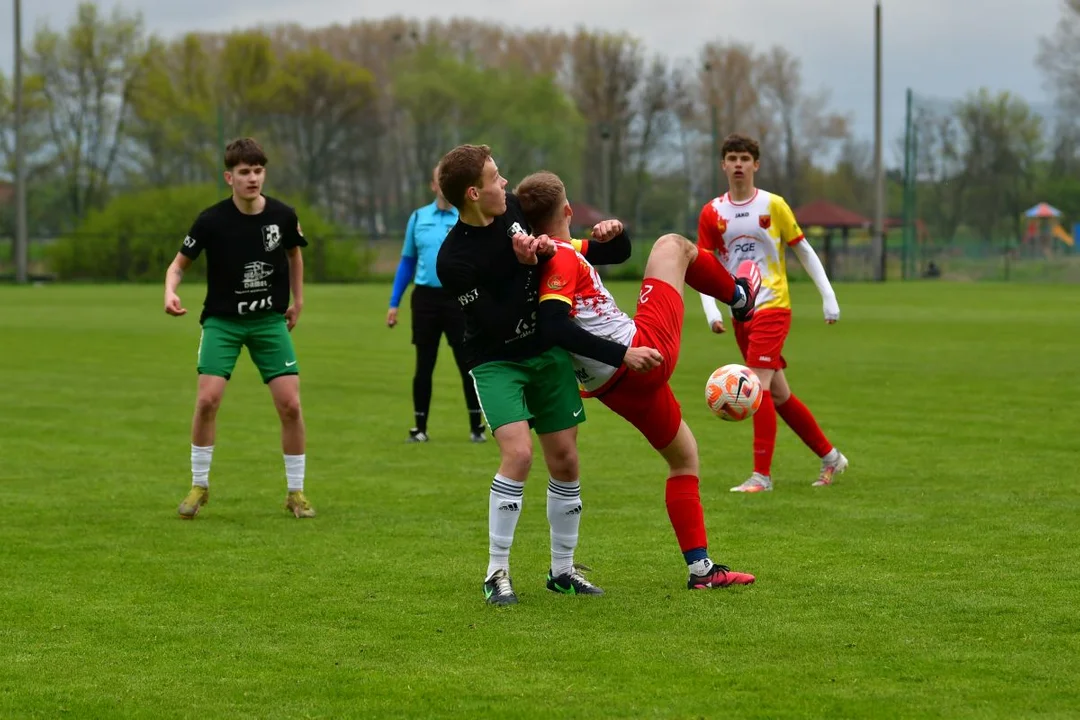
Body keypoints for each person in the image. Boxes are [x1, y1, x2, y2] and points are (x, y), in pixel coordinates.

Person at [514, 170, 757, 590]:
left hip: (611, 385)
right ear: (568, 210)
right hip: (641, 353)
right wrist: (624, 352)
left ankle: (701, 569)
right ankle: (739, 296)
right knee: (672, 245)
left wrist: (617, 234)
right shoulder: (562, 256)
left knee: (684, 457)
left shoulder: (540, 253)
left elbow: (616, 254)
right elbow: (554, 324)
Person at [434, 144, 653, 605]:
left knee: (567, 461)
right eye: (495, 178)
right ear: (474, 193)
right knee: (518, 455)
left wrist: (612, 238)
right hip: (496, 361)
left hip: (546, 353)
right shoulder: (453, 260)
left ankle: (562, 570)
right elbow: (496, 323)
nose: (505, 184)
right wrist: (525, 265)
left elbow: (573, 252)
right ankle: (497, 573)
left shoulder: (514, 210)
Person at [164, 137, 315, 519]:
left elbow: (295, 256)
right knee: (207, 400)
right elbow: (179, 264)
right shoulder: (211, 220)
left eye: (258, 171)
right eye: (245, 172)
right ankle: (200, 484)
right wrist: (170, 291)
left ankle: (295, 493)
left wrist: (298, 301)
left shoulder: (282, 215)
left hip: (268, 322)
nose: (253, 178)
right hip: (223, 322)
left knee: (291, 406)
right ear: (229, 177)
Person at [697, 133, 848, 493]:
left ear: (756, 165)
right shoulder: (712, 212)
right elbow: (703, 267)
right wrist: (711, 310)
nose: (738, 164)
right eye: (731, 158)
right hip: (740, 310)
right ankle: (831, 458)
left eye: (744, 159)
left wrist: (829, 297)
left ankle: (761, 477)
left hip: (773, 305)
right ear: (723, 165)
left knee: (757, 387)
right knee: (779, 396)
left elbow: (804, 251)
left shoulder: (773, 205)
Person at [387, 163, 486, 444]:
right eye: (438, 181)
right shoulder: (418, 218)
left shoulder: (466, 217)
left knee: (467, 363)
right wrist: (394, 302)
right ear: (433, 186)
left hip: (458, 298)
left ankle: (476, 426)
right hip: (425, 300)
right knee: (424, 365)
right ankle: (420, 428)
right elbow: (407, 262)